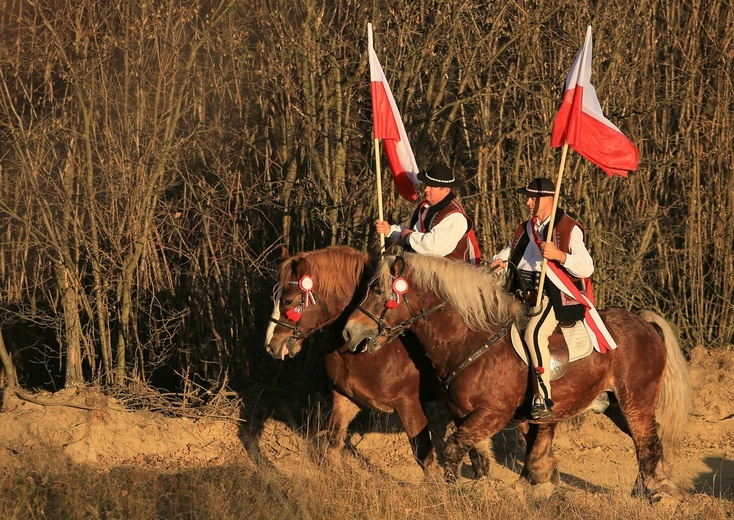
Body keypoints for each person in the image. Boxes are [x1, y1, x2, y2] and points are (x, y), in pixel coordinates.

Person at [489, 177, 594, 420]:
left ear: (548, 200)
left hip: (552, 294)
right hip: (521, 292)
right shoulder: (526, 228)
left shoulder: (570, 229)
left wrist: (560, 255)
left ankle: (542, 397)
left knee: (533, 333)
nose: (527, 202)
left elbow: (586, 267)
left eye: (532, 198)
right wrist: (502, 261)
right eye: (527, 198)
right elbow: (513, 252)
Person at [375, 163, 481, 265]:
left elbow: (433, 247)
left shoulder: (455, 217)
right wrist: (389, 231)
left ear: (446, 190)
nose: (426, 189)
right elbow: (414, 235)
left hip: (450, 279)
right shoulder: (424, 208)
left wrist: (408, 236)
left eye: (432, 186)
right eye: (426, 185)